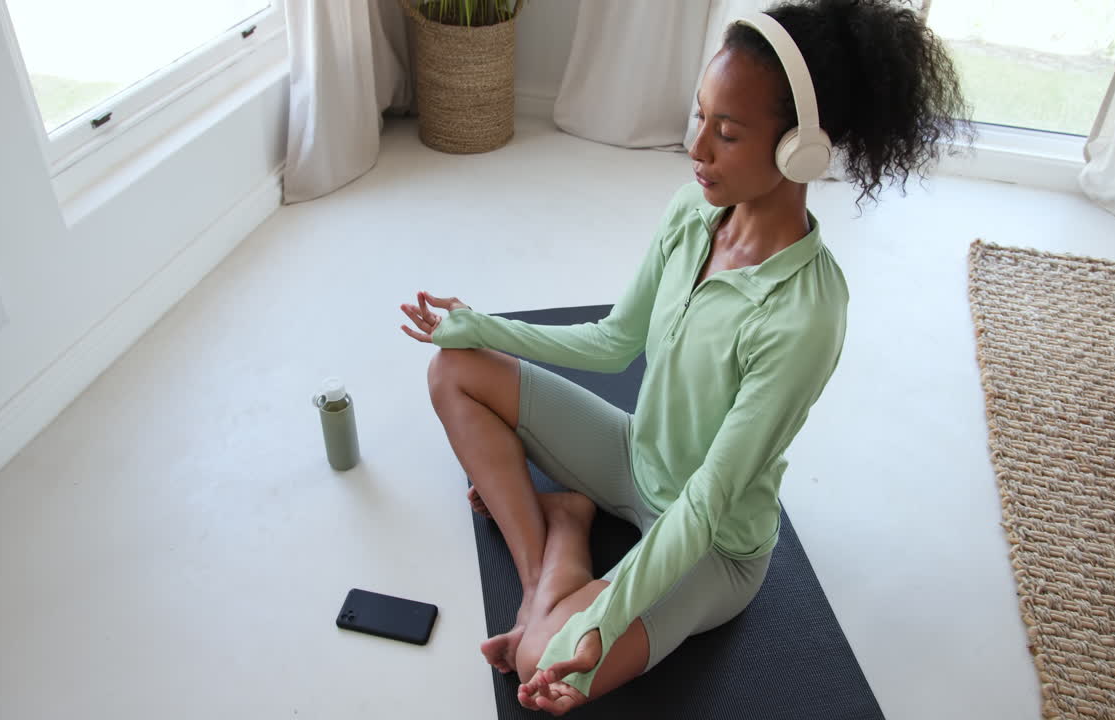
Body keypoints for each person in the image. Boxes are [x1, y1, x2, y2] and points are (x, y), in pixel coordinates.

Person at [399, 0, 969, 714]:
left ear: (801, 149)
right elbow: (611, 342)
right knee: (453, 369)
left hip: (712, 545)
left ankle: (557, 564)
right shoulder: (692, 212)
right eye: (700, 117)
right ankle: (551, 553)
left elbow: (705, 504)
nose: (697, 148)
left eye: (726, 134)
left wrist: (598, 623)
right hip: (634, 454)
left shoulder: (806, 313)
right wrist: (478, 324)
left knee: (539, 665)